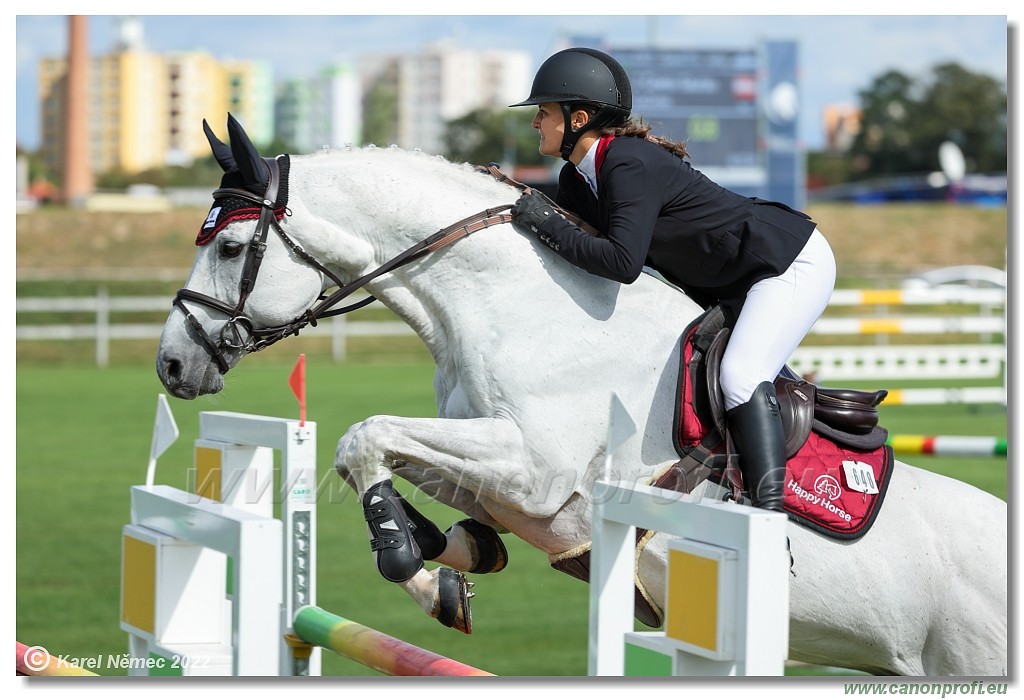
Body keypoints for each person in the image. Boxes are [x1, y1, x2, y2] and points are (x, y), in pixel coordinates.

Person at [509, 47, 836, 513]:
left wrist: (540, 219)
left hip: (785, 263)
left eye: (543, 112)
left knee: (741, 378)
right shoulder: (575, 181)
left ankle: (768, 518)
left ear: (579, 118)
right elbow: (575, 246)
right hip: (732, 279)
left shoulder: (626, 160)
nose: (535, 123)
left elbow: (621, 262)